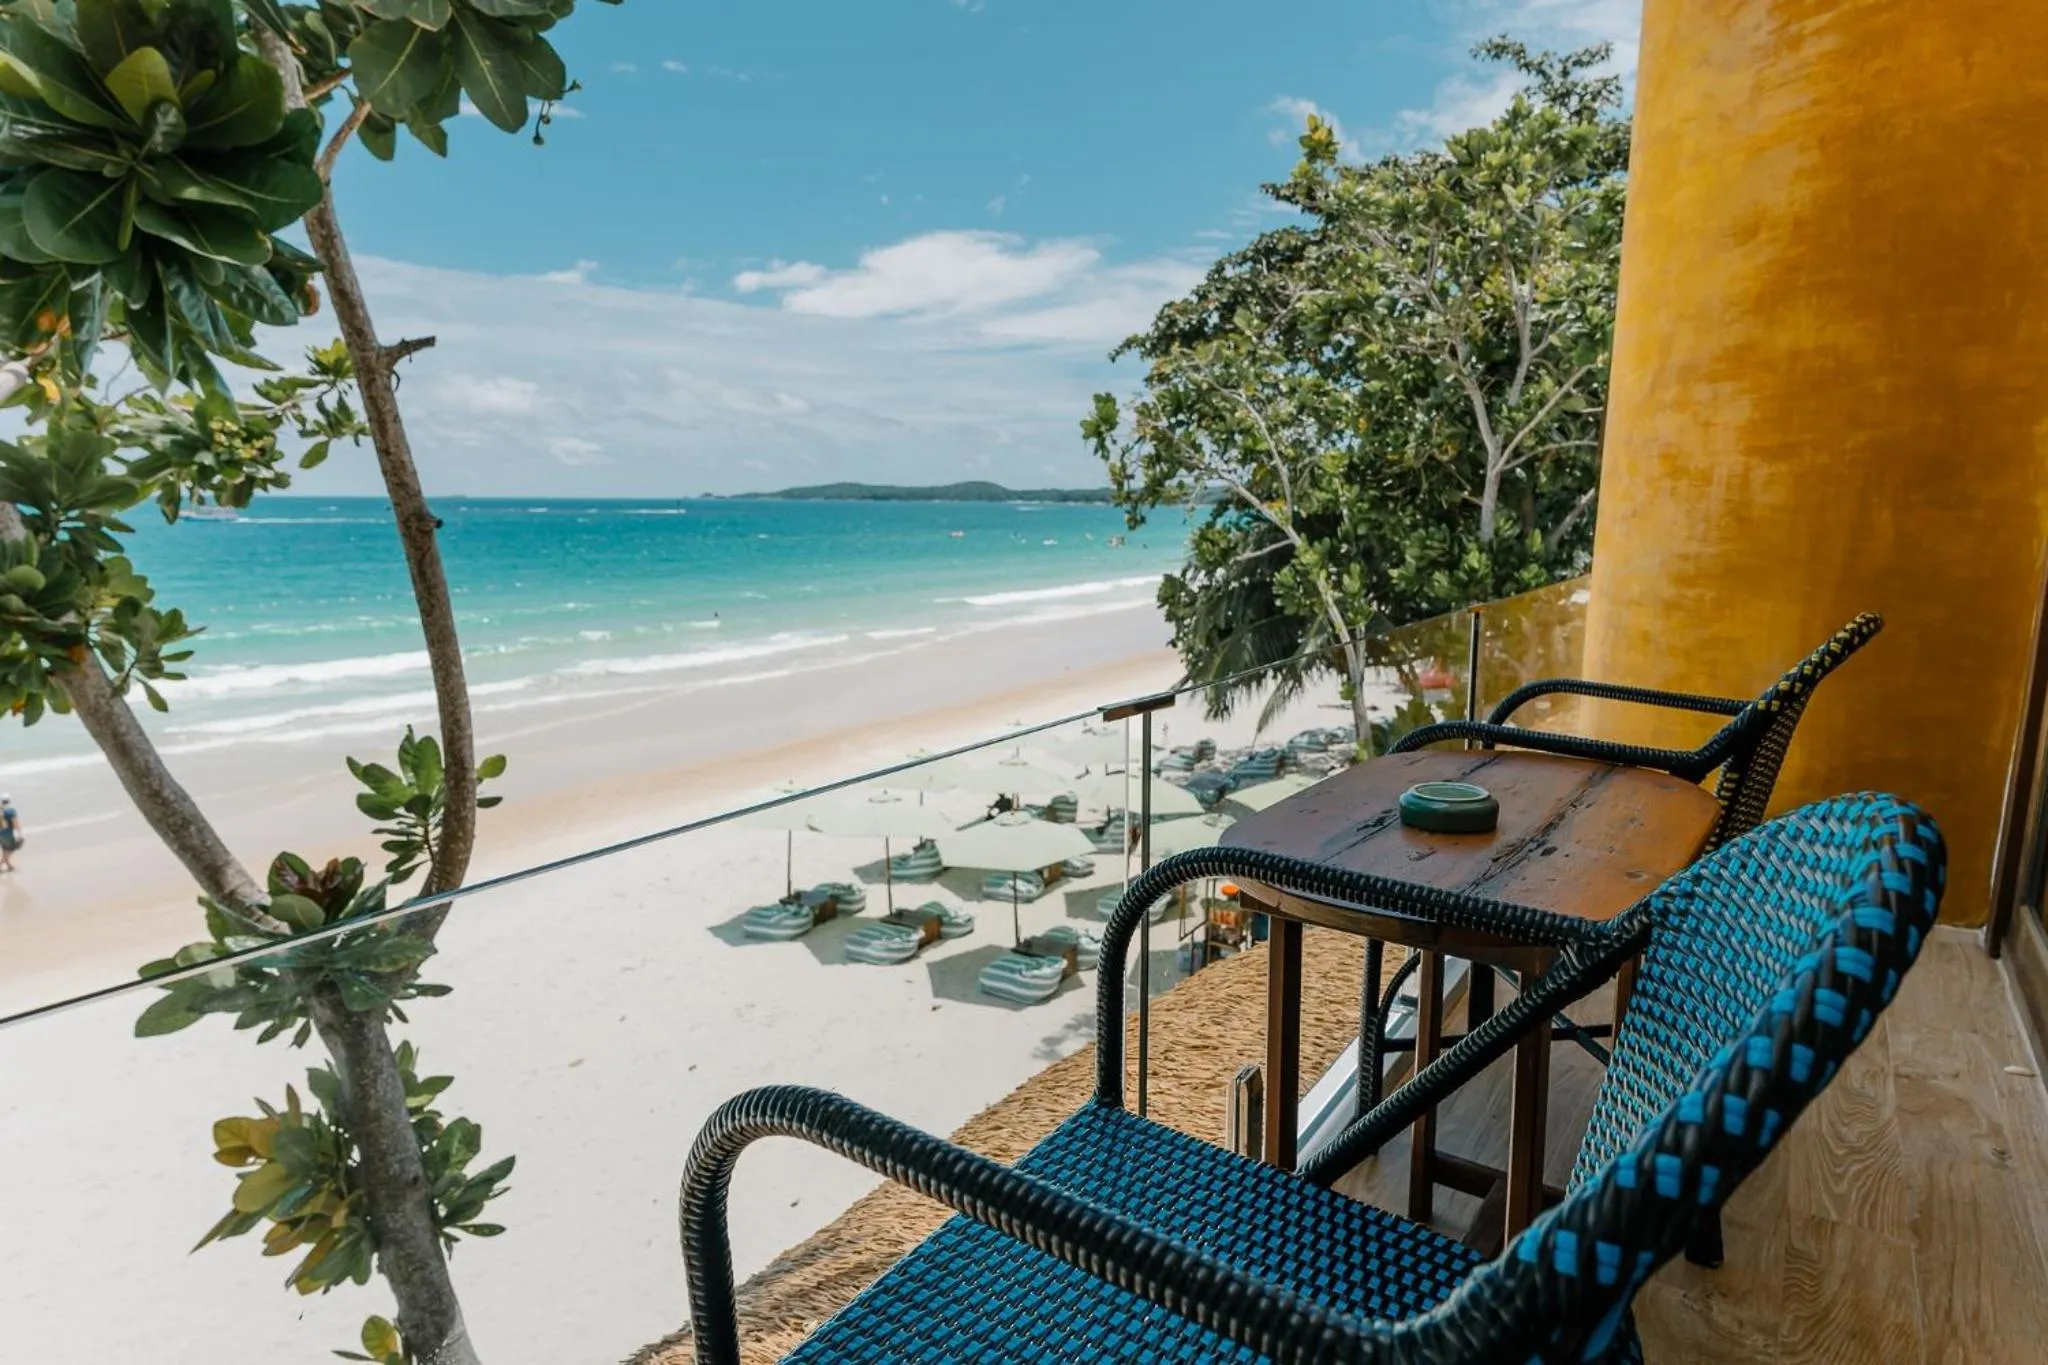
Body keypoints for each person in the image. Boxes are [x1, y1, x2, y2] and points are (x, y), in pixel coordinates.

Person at [0, 794, 20, 872]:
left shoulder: (0, 810)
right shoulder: (11, 810)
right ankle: (1, 864)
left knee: (5, 850)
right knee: (11, 849)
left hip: (1, 834)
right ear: (9, 801)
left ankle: (9, 866)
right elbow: (15, 823)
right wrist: (18, 833)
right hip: (8, 834)